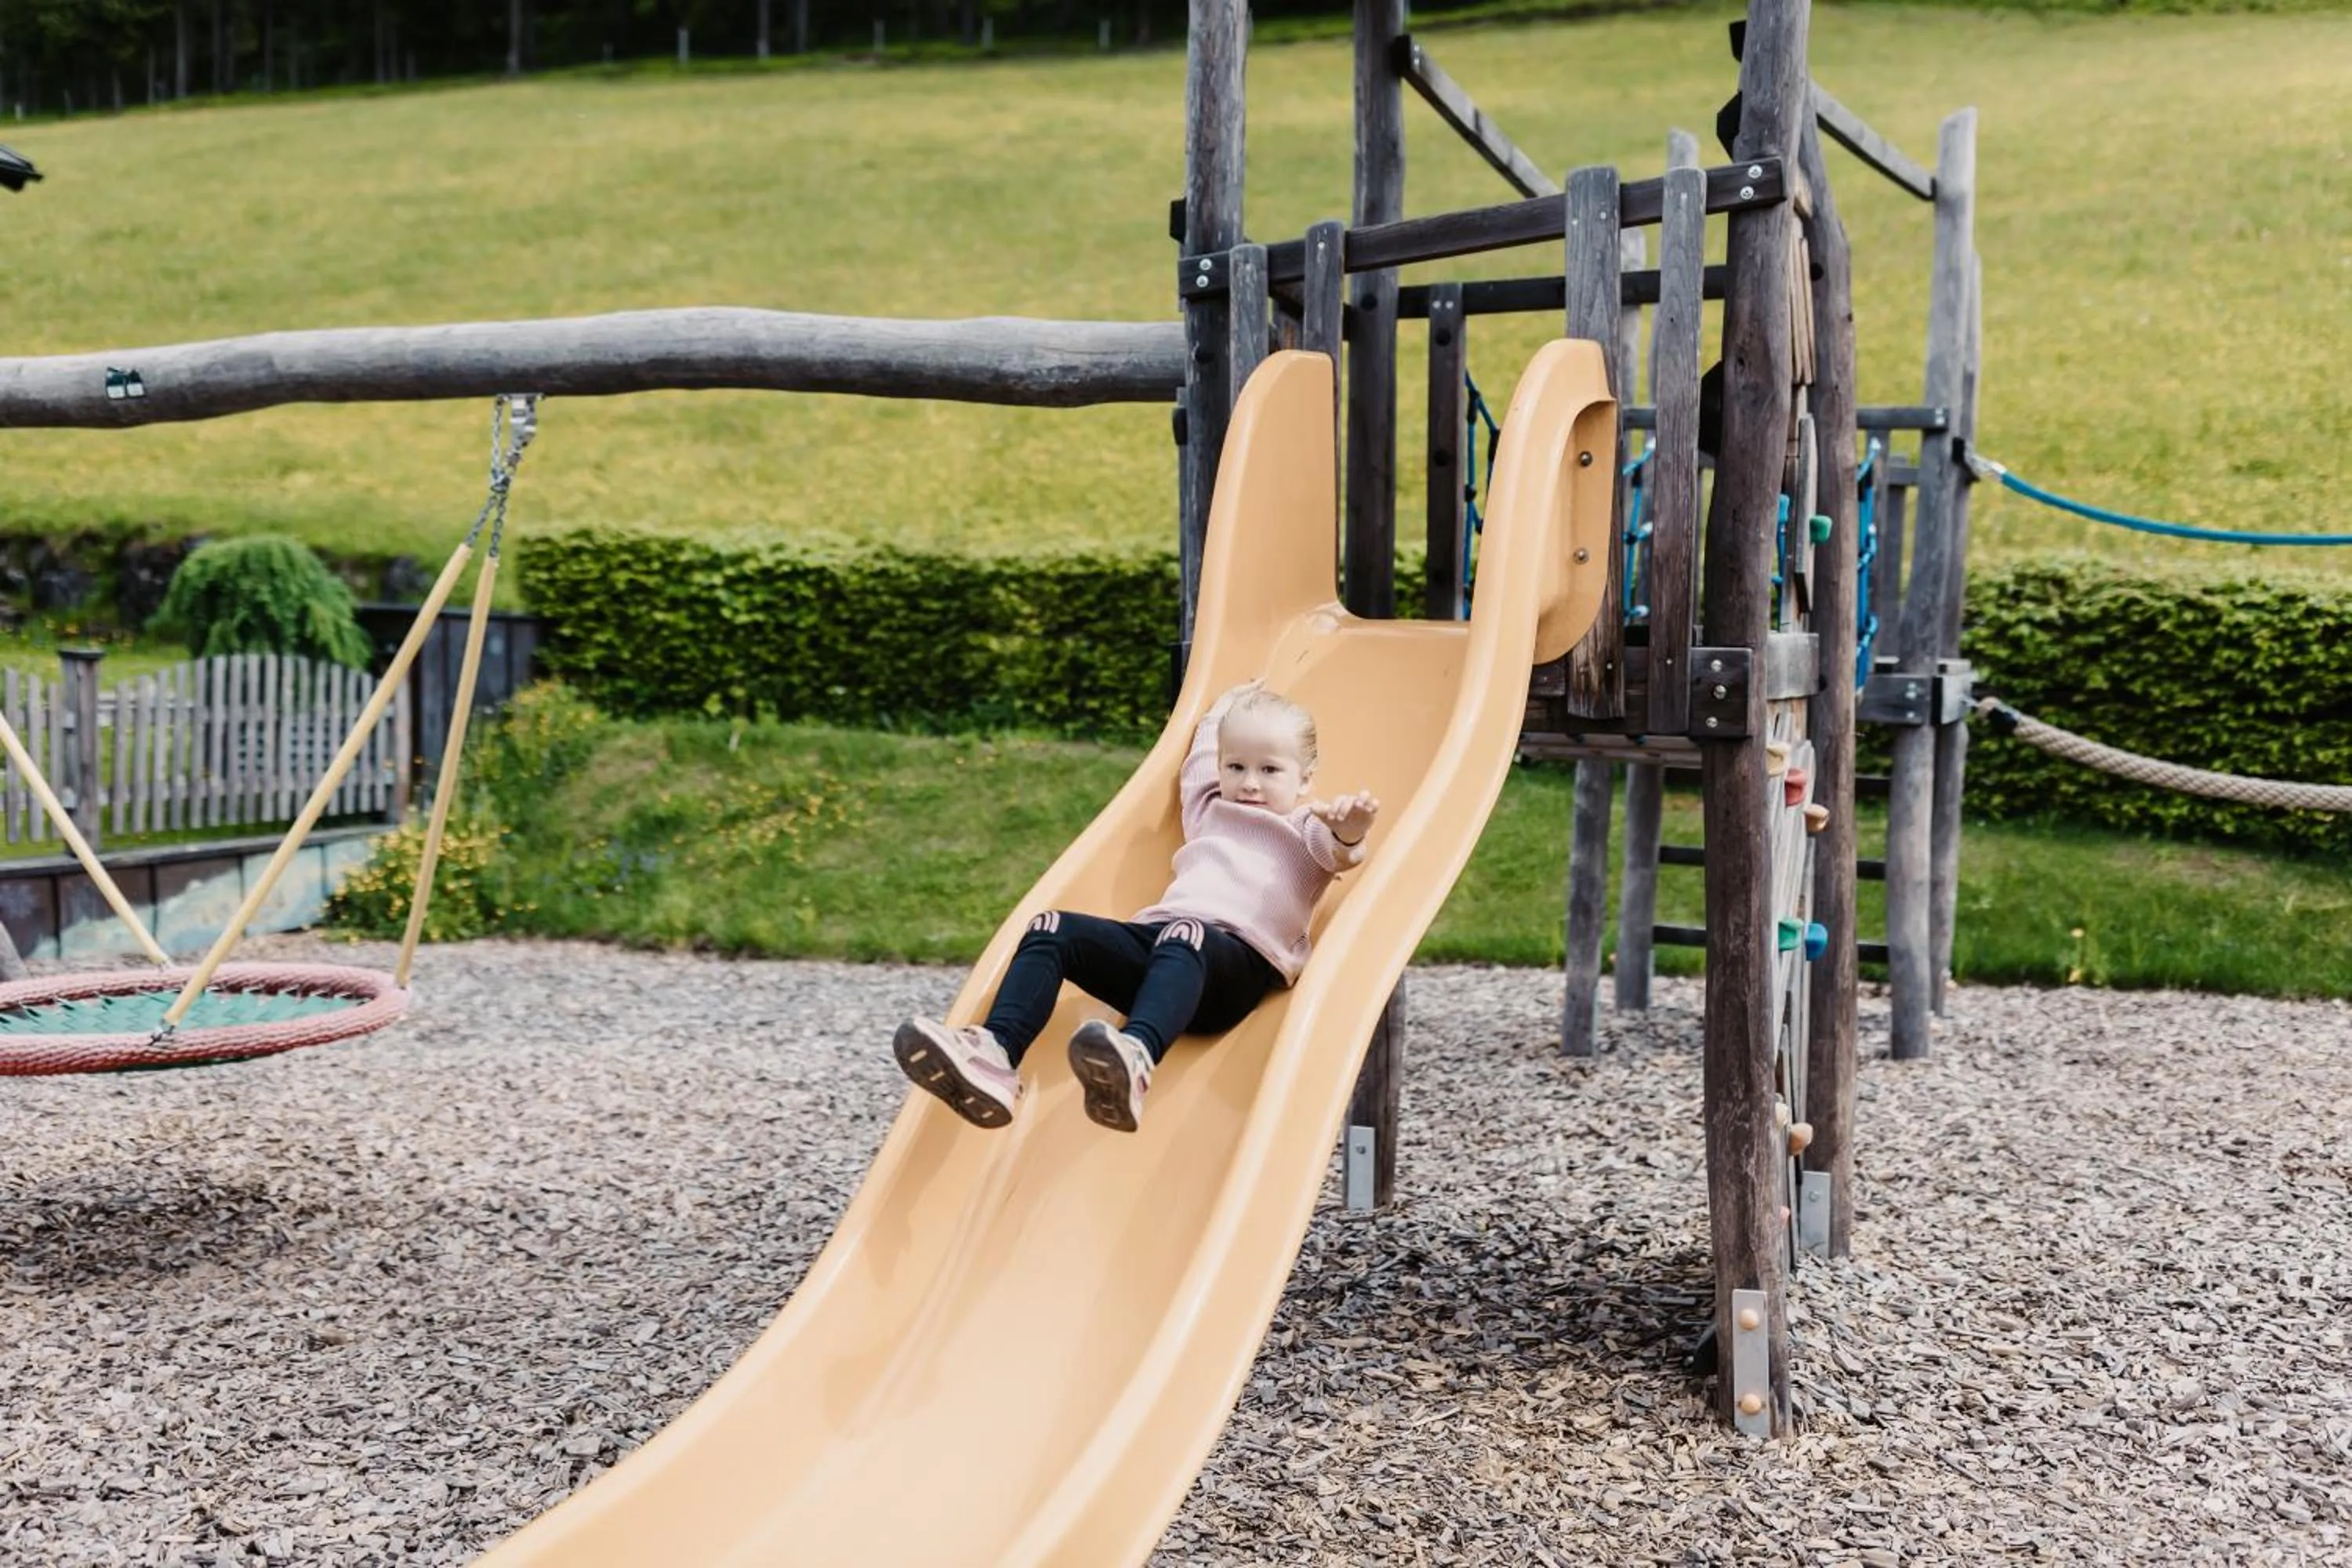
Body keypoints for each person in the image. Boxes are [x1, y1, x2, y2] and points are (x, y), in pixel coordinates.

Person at [892, 681, 1378, 1134]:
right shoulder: (1208, 808)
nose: (1249, 783)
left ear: (1304, 779)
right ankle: (996, 1053)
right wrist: (1223, 705)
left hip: (1234, 971)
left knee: (1186, 934)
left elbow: (1340, 851)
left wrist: (1350, 828)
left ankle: (1137, 1057)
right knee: (1051, 927)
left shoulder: (1303, 828)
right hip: (1164, 949)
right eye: (1236, 767)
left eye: (1270, 770)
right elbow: (1201, 755)